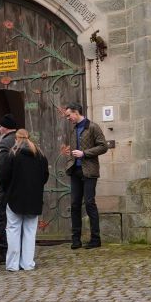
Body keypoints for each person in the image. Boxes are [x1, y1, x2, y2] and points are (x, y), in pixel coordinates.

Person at [0, 129, 49, 271]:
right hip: (34, 198)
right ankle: (27, 263)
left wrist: (9, 190)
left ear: (16, 139)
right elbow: (45, 176)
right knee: (30, 232)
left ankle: (12, 264)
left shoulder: (12, 155)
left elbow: (4, 176)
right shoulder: (40, 155)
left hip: (14, 197)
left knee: (13, 230)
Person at [63, 103, 109, 249]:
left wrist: (84, 153)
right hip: (75, 171)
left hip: (89, 171)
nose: (68, 118)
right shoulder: (73, 129)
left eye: (69, 115)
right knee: (75, 204)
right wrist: (70, 160)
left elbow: (104, 146)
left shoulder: (93, 127)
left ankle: (95, 239)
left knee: (89, 203)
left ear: (76, 112)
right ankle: (76, 240)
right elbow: (72, 150)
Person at [0, 115, 19, 265]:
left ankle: (3, 251)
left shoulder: (4, 143)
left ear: (5, 127)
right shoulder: (22, 140)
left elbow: (1, 167)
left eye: (0, 126)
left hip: (6, 188)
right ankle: (18, 251)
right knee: (19, 219)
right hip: (20, 186)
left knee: (2, 218)